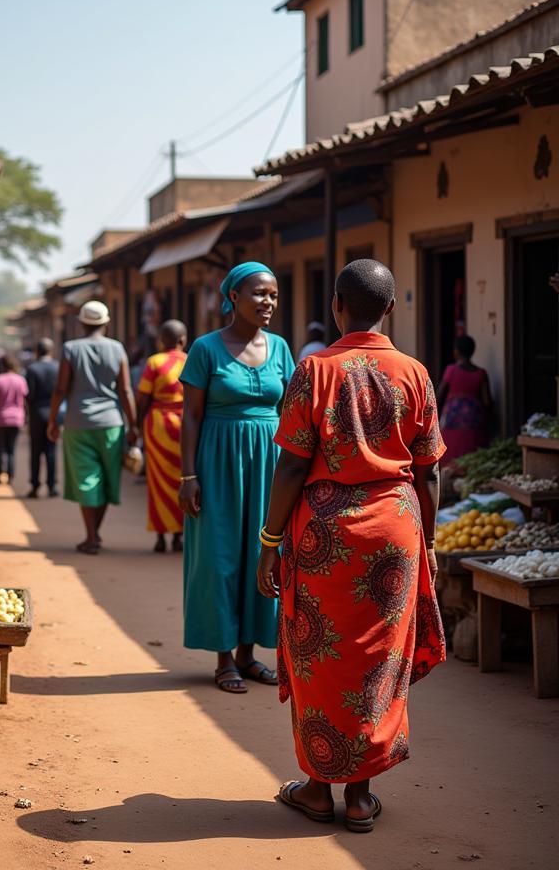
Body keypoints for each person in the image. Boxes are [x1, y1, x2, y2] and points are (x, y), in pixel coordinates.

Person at [257, 259, 446, 833]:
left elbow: (292, 464)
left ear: (337, 305)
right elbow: (430, 471)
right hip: (395, 529)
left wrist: (270, 540)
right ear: (390, 308)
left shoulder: (316, 369)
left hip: (324, 535)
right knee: (376, 660)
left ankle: (318, 789)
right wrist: (430, 542)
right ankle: (360, 796)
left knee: (321, 657)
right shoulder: (414, 372)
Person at [178, 262, 295, 693]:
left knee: (260, 553)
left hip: (269, 460)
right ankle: (223, 656)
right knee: (219, 556)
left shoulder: (281, 348)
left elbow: (291, 413)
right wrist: (188, 475)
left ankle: (248, 655)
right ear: (234, 297)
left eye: (274, 295)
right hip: (217, 459)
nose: (268, 302)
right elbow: (190, 417)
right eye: (259, 294)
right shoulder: (205, 349)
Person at [47, 300, 138, 554]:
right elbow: (126, 390)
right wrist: (134, 425)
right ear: (106, 323)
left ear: (81, 323)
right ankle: (94, 533)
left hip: (78, 423)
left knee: (87, 479)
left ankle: (91, 536)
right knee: (108, 478)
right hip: (112, 423)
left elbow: (61, 389)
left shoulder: (70, 348)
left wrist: (53, 420)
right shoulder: (117, 349)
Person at [137, 320, 188, 553]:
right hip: (187, 427)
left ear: (161, 340)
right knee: (184, 479)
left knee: (157, 482)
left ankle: (160, 537)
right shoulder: (191, 360)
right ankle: (179, 536)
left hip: (158, 425)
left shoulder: (154, 362)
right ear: (183, 340)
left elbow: (143, 398)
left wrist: (136, 426)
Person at [436, 334, 492, 464]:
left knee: (451, 451)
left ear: (456, 351)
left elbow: (439, 395)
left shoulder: (451, 370)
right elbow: (487, 401)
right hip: (475, 418)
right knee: (473, 449)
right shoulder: (481, 373)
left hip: (452, 418)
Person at [0, 355, 28, 484]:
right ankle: (11, 476)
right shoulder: (21, 380)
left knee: (0, 448)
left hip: (0, 419)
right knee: (11, 449)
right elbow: (25, 397)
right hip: (16, 418)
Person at [25, 338, 59, 498]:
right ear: (51, 351)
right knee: (51, 451)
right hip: (53, 412)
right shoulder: (57, 367)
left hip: (37, 413)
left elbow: (29, 395)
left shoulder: (32, 369)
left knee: (36, 452)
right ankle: (52, 486)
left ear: (37, 351)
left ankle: (35, 486)